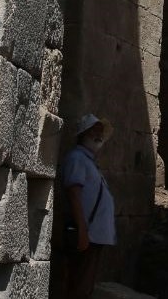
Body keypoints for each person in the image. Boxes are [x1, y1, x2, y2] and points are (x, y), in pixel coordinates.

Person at [59, 113, 116, 297]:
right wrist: (82, 231)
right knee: (80, 287)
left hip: (94, 235)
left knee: (84, 284)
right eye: (93, 131)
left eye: (100, 131)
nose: (98, 135)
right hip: (87, 235)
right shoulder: (77, 158)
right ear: (83, 134)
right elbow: (73, 194)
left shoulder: (88, 161)